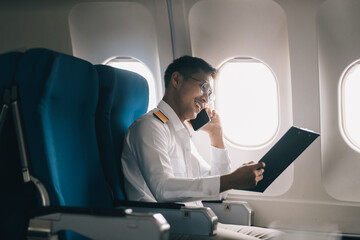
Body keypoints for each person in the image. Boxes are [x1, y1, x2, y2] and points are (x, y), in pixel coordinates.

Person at [121, 56, 283, 240]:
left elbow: (220, 192)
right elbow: (163, 188)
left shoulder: (181, 132)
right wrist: (231, 179)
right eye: (203, 87)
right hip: (166, 227)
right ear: (176, 80)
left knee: (279, 236)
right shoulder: (150, 127)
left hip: (197, 223)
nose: (206, 98)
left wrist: (217, 136)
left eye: (210, 93)